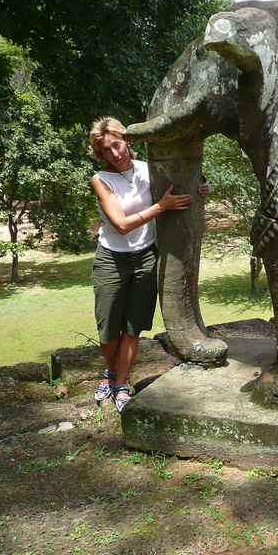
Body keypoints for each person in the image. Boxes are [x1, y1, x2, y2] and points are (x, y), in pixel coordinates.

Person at [88, 117, 210, 412]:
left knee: (132, 328)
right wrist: (159, 208)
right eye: (106, 150)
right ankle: (112, 372)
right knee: (107, 329)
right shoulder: (101, 180)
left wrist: (200, 190)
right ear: (101, 154)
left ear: (127, 142)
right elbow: (120, 224)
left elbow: (183, 190)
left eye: (117, 145)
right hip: (112, 259)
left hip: (146, 257)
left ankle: (119, 384)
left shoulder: (149, 170)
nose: (114, 154)